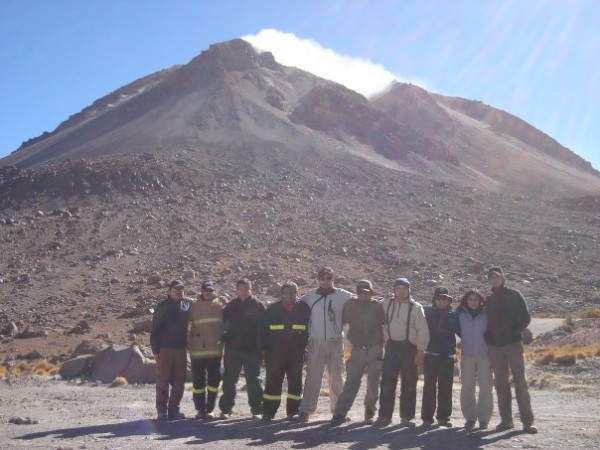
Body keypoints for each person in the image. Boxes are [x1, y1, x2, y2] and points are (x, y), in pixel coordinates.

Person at [297, 267, 354, 422]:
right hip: (315, 340)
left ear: (333, 279)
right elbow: (298, 306)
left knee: (337, 376)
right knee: (313, 376)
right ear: (318, 280)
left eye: (328, 279)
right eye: (322, 279)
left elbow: (358, 301)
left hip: (335, 341)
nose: (325, 281)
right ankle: (306, 410)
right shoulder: (310, 296)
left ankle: (339, 412)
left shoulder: (342, 295)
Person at [485, 266, 537, 434]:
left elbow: (526, 317)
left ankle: (527, 422)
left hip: (513, 345)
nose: (494, 280)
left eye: (497, 277)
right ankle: (506, 420)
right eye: (491, 277)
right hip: (495, 347)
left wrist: (514, 333)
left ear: (503, 278)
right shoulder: (489, 299)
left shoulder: (514, 295)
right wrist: (488, 337)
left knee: (520, 382)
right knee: (500, 383)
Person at [374, 277, 429, 428]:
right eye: (398, 288)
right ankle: (384, 416)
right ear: (394, 290)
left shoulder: (416, 307)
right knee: (387, 382)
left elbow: (422, 329)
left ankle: (407, 417)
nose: (401, 291)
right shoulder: (387, 303)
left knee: (409, 383)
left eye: (404, 288)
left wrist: (421, 350)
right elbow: (379, 321)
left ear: (409, 290)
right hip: (391, 347)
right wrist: (385, 338)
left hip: (409, 348)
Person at [331, 280, 386, 426]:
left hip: (375, 349)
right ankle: (340, 413)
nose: (364, 295)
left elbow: (385, 323)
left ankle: (369, 412)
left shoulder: (377, 306)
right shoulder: (349, 305)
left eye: (367, 292)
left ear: (371, 292)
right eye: (361, 292)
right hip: (357, 350)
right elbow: (340, 320)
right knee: (351, 382)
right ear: (357, 293)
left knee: (373, 383)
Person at [261, 282, 310, 421]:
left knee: (295, 383)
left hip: (296, 354)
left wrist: (305, 349)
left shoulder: (304, 309)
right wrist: (263, 351)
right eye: (286, 292)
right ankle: (269, 411)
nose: (290, 295)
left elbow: (308, 331)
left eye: (293, 292)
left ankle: (293, 412)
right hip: (275, 354)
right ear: (281, 294)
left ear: (297, 293)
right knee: (273, 382)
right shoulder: (272, 310)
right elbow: (263, 332)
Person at [218, 278, 266, 419]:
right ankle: (226, 410)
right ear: (237, 290)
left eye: (246, 288)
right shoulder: (231, 306)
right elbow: (221, 325)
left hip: (252, 351)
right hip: (233, 350)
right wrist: (224, 338)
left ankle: (257, 410)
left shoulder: (258, 306)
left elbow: (265, 329)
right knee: (229, 380)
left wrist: (263, 348)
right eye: (241, 288)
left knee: (254, 381)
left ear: (251, 289)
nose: (243, 291)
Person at [150, 279, 192, 420]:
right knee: (162, 380)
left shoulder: (186, 305)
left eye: (181, 290)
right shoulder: (162, 307)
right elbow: (154, 330)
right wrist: (155, 351)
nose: (179, 292)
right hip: (165, 349)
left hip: (180, 349)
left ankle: (174, 410)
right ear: (169, 292)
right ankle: (161, 411)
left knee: (179, 380)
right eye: (176, 290)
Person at [421, 287, 460, 428]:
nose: (441, 301)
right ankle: (427, 418)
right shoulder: (427, 312)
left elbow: (463, 332)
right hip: (431, 354)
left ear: (448, 300)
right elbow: (415, 309)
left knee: (446, 387)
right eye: (439, 299)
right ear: (434, 300)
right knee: (429, 387)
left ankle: (443, 417)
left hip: (447, 355)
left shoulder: (454, 316)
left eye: (444, 299)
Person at [457, 289, 493, 430]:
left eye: (475, 299)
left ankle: (484, 419)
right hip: (467, 356)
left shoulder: (486, 315)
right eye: (470, 299)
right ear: (466, 301)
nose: (473, 302)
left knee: (486, 387)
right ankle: (470, 418)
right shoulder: (460, 315)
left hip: (484, 355)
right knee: (467, 387)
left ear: (480, 301)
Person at [188, 280, 224, 420]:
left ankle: (210, 409)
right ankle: (200, 409)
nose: (208, 293)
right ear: (201, 291)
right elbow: (185, 324)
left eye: (210, 290)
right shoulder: (193, 306)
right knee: (198, 382)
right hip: (197, 350)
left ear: (213, 291)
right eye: (205, 290)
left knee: (214, 380)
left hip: (215, 350)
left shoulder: (220, 305)